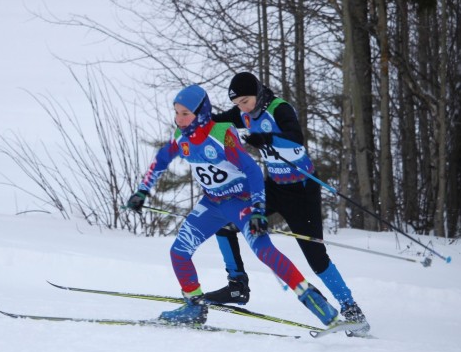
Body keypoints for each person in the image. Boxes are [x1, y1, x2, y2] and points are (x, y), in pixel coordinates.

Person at [125, 84, 341, 328]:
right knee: (179, 252)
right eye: (176, 113)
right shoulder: (181, 138)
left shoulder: (221, 134)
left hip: (241, 203)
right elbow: (161, 160)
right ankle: (194, 307)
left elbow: (253, 171)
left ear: (201, 112)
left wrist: (259, 210)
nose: (179, 119)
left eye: (185, 113)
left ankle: (321, 308)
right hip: (212, 203)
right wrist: (142, 191)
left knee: (265, 253)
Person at [206, 71, 370, 334]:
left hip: (302, 191)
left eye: (245, 101)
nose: (241, 108)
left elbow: (296, 137)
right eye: (238, 105)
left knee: (316, 257)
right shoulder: (244, 113)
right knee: (226, 223)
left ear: (258, 93)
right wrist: (193, 122)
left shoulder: (279, 108)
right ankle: (237, 285)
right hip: (274, 188)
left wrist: (267, 138)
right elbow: (216, 121)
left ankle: (351, 309)